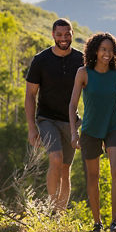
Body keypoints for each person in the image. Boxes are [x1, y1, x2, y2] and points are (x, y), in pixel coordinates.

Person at [68, 32, 116, 232]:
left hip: (113, 126)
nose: (107, 53)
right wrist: (73, 133)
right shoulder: (83, 73)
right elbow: (72, 105)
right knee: (93, 177)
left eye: (110, 50)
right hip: (90, 130)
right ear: (95, 50)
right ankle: (97, 222)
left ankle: (115, 222)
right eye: (103, 49)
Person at [25, 18, 83, 211]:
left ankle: (60, 213)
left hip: (70, 121)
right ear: (53, 35)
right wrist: (32, 128)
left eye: (67, 34)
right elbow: (30, 95)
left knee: (65, 169)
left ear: (72, 34)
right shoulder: (41, 60)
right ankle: (51, 208)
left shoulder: (80, 60)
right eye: (59, 35)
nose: (64, 38)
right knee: (56, 159)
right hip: (46, 119)